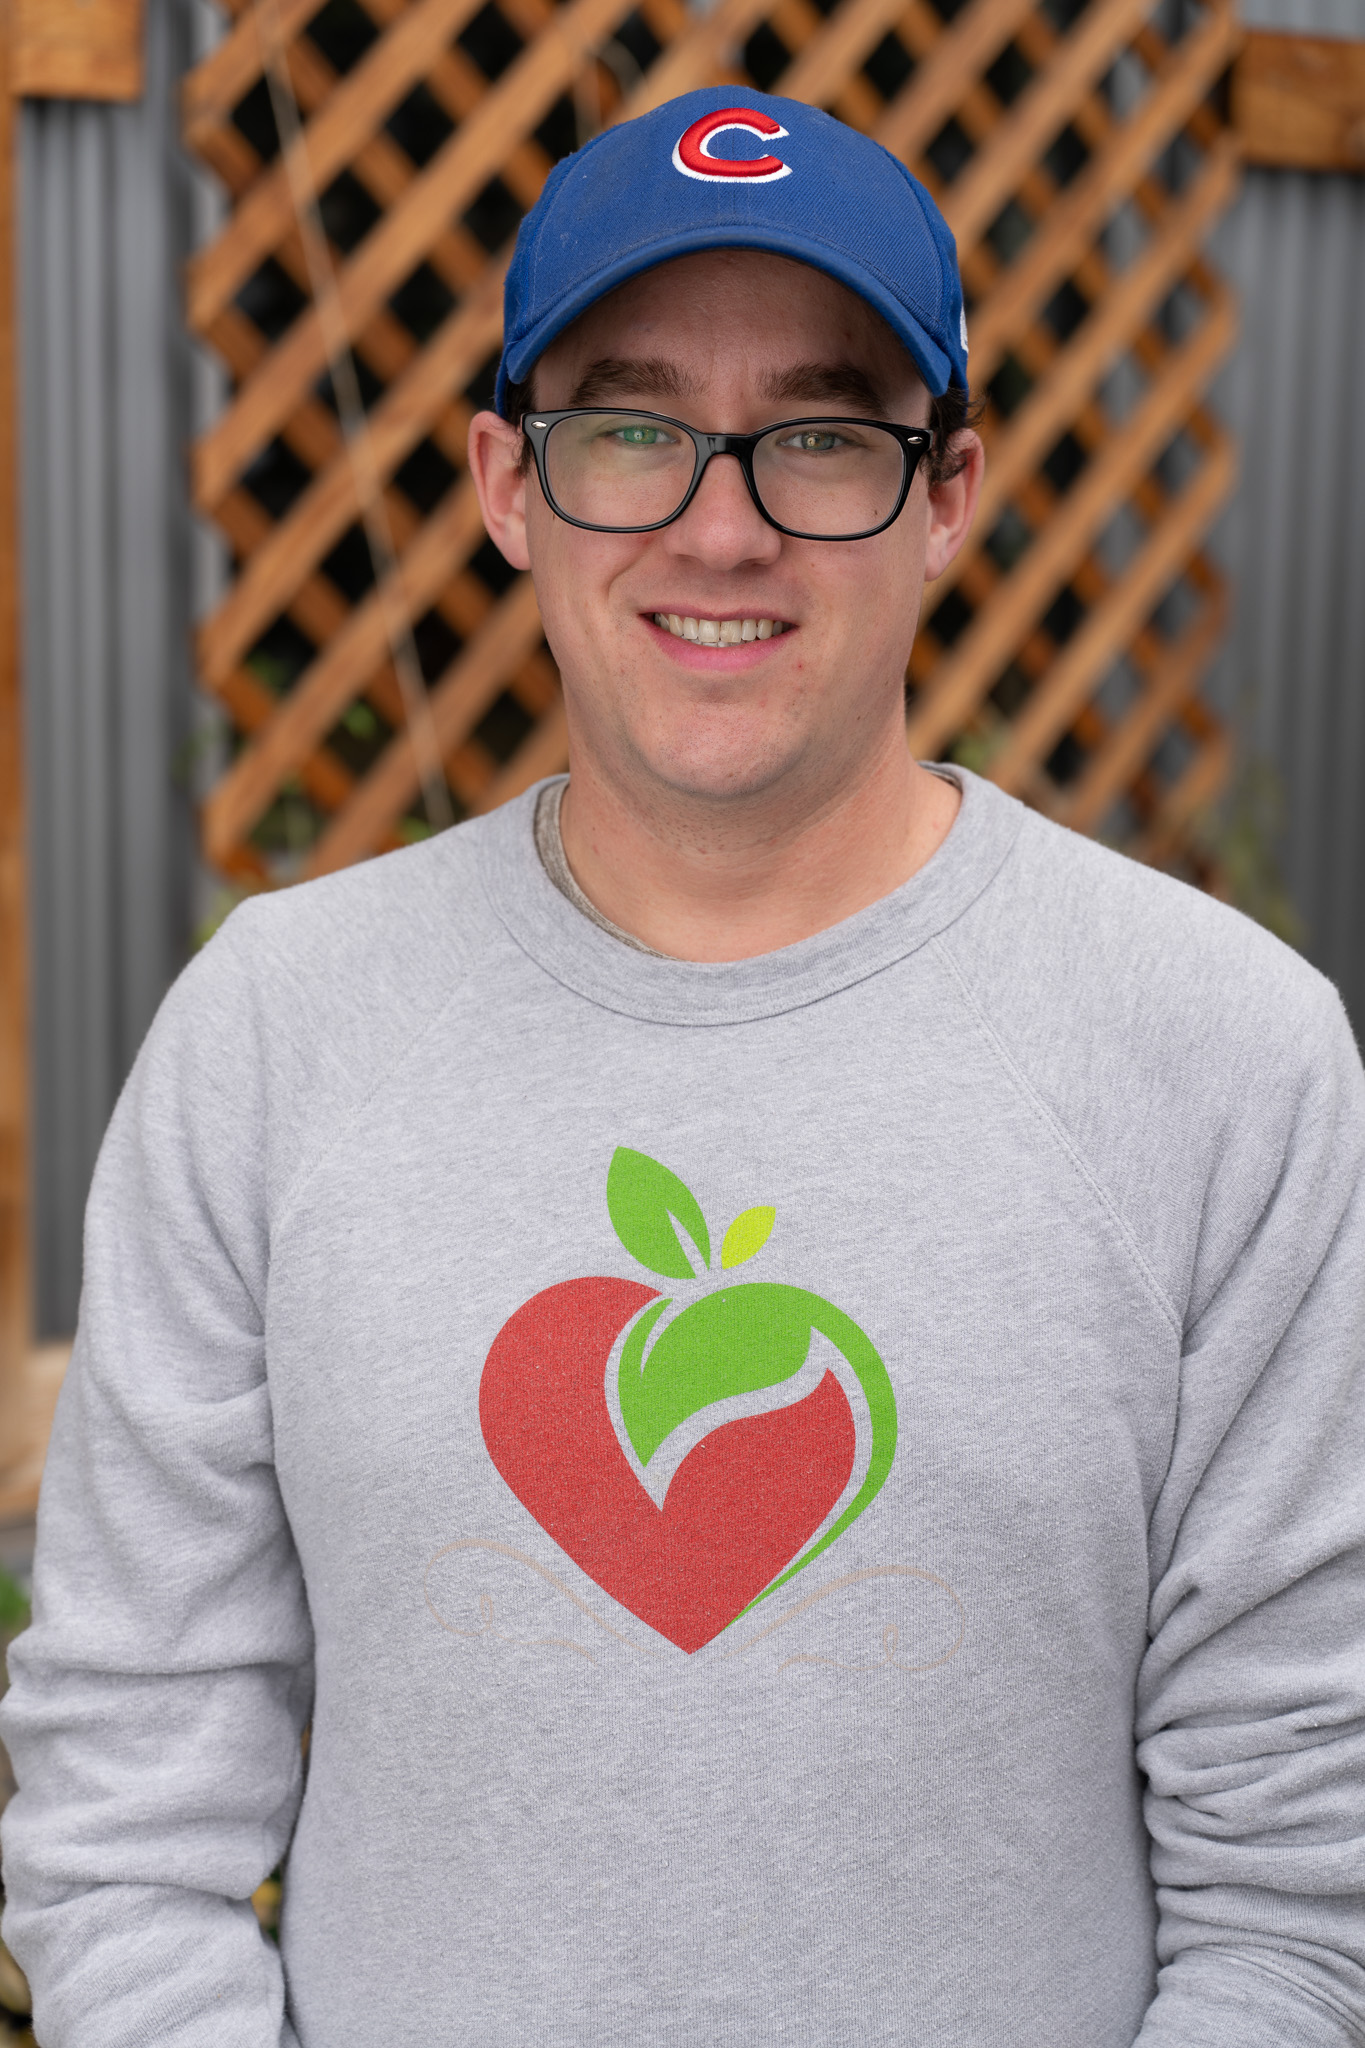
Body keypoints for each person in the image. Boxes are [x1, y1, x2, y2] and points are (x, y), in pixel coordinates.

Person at [2, 83, 1364, 2048]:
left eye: (817, 434)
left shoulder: (1221, 1057)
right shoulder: (278, 1030)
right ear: (502, 483)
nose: (718, 522)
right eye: (627, 427)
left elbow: (1299, 1870)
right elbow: (127, 1790)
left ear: (949, 492)